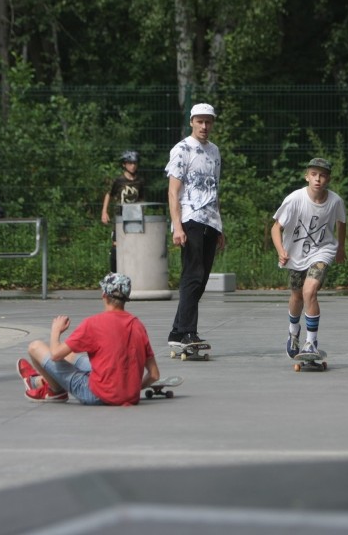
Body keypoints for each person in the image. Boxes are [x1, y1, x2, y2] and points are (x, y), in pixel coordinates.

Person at [17, 272, 160, 405]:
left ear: (104, 294)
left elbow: (55, 354)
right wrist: (128, 391)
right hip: (130, 396)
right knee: (70, 355)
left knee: (35, 347)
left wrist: (56, 331)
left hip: (95, 394)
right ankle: (41, 380)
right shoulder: (138, 325)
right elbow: (154, 375)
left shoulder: (93, 323)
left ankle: (55, 390)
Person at [271, 157, 347, 357]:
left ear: (328, 179)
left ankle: (311, 343)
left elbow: (341, 222)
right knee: (297, 295)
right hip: (296, 254)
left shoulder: (335, 201)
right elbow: (275, 228)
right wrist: (281, 250)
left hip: (323, 251)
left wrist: (341, 248)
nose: (318, 179)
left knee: (309, 291)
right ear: (307, 177)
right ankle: (293, 331)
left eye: (322, 175)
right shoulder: (294, 199)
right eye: (314, 174)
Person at [165, 103, 226, 350]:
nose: (204, 126)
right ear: (192, 122)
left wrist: (220, 225)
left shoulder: (214, 152)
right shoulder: (182, 149)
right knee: (192, 275)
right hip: (190, 218)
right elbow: (173, 191)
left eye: (208, 122)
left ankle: (177, 331)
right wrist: (177, 226)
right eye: (200, 121)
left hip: (210, 220)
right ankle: (189, 332)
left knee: (201, 279)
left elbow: (214, 189)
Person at [101, 150, 146, 272]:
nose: (133, 166)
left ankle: (133, 272)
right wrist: (104, 212)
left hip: (135, 217)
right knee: (116, 246)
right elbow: (109, 194)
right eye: (130, 163)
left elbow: (141, 198)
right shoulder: (119, 180)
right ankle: (114, 274)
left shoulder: (140, 181)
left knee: (134, 246)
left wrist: (142, 212)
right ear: (124, 165)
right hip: (120, 217)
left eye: (135, 163)